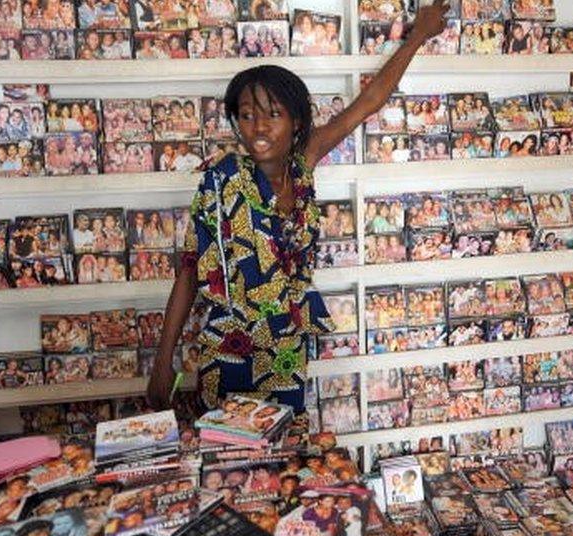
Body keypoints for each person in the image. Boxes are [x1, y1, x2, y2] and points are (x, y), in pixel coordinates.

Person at [147, 0, 448, 413]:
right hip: (228, 351)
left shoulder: (304, 160)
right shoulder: (221, 179)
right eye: (248, 115)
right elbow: (188, 269)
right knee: (229, 462)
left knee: (285, 454)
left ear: (296, 121)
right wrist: (163, 361)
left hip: (287, 348)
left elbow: (370, 101)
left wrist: (417, 37)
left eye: (274, 113)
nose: (259, 126)